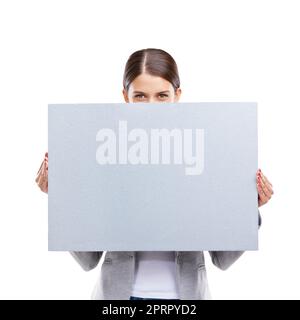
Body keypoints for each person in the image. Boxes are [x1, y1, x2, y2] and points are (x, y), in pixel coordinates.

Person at [35, 48, 274, 300]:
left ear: (177, 95)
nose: (151, 107)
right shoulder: (103, 158)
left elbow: (223, 259)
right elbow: (87, 260)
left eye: (162, 95)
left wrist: (248, 209)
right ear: (125, 97)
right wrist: (60, 196)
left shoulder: (203, 157)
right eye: (140, 96)